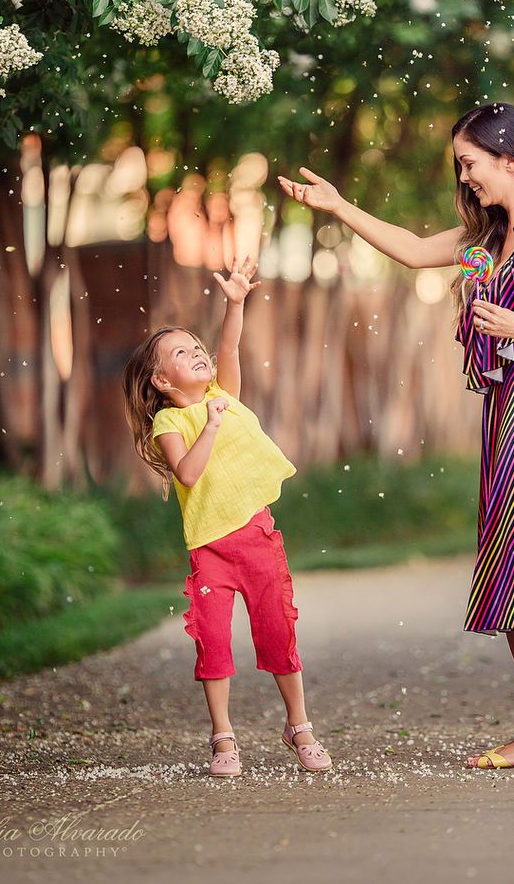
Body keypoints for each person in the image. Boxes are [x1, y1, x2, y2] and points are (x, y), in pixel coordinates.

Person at [277, 102, 514, 770]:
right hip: (506, 409)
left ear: (508, 157)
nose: (465, 178)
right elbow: (409, 249)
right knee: (513, 561)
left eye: (470, 163)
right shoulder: (489, 236)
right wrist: (340, 206)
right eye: (460, 165)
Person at [120, 256, 333, 777]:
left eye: (196, 347)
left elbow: (229, 345)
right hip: (211, 549)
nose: (196, 354)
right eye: (180, 353)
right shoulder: (171, 421)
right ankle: (223, 738)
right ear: (161, 379)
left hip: (257, 537)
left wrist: (235, 302)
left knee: (277, 634)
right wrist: (210, 427)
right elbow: (188, 475)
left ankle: (299, 726)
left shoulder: (223, 395)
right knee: (213, 644)